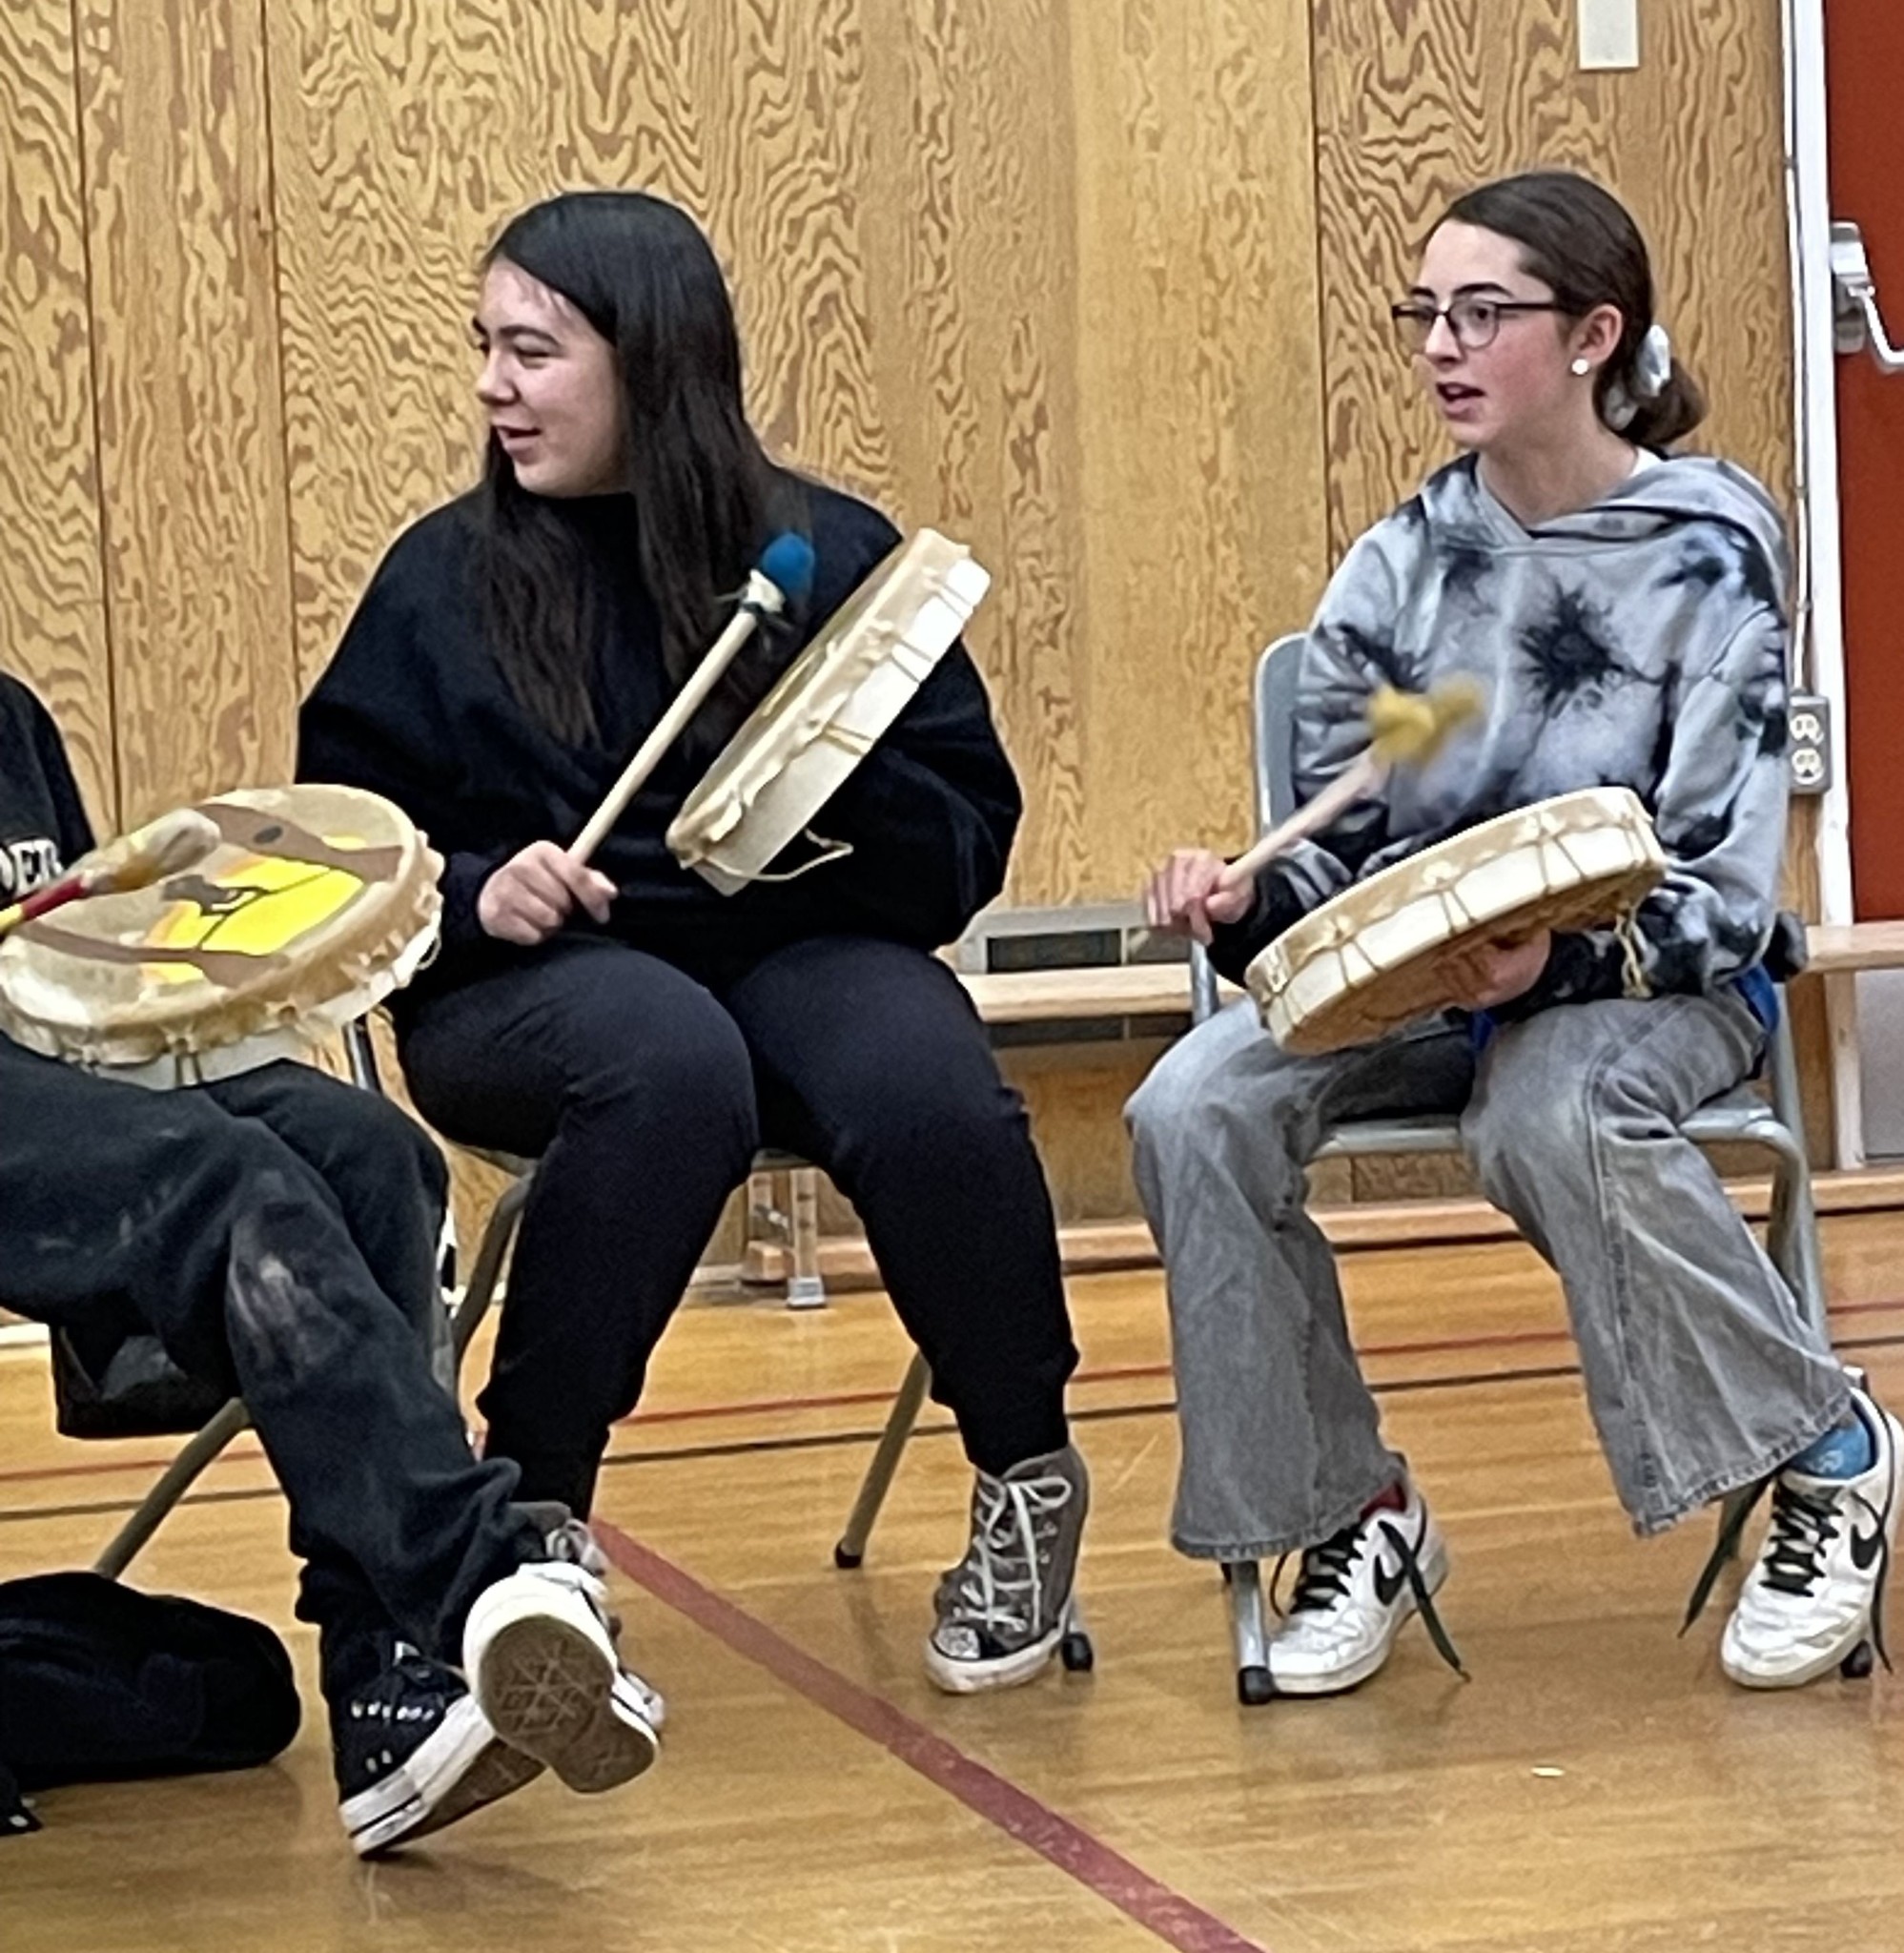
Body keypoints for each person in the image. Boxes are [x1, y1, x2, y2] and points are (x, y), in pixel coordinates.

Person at [297, 190, 1089, 1695]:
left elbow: (964, 839)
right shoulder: (437, 582)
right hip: (531, 990)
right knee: (668, 1064)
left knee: (926, 1077)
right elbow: (348, 845)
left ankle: (1027, 1476)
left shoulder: (823, 557)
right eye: (485, 348)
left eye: (532, 352)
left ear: (650, 363)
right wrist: (477, 889)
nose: (492, 387)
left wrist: (834, 779)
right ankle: (528, 1516)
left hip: (795, 950)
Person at [1128, 170, 1896, 1696]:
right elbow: (1344, 847)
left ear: (1596, 334)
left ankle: (1827, 1447)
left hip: (1659, 974)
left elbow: (1725, 882)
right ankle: (1355, 1512)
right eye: (1429, 312)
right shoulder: (1403, 564)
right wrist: (1248, 894)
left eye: (1484, 314)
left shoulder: (1713, 548)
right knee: (1190, 1105)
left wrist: (1565, 966)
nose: (1440, 345)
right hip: (1432, 975)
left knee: (1544, 1107)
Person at [0, 670, 661, 1852]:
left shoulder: (7, 715)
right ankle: (482, 1574)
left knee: (369, 1152)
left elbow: (74, 983)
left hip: (45, 1083)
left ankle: (386, 1686)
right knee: (220, 1180)